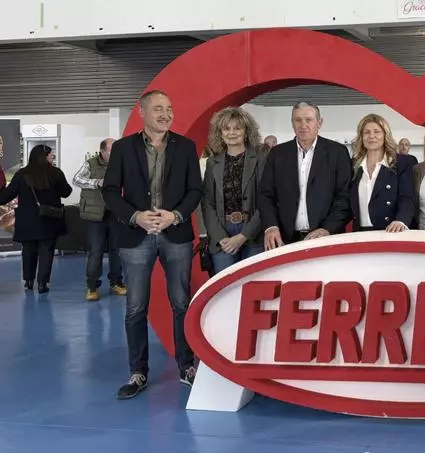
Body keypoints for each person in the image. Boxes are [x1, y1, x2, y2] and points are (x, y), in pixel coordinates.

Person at [102, 89, 203, 399]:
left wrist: (175, 215)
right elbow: (110, 191)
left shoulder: (185, 147)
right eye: (158, 108)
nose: (165, 114)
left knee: (181, 303)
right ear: (142, 112)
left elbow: (195, 190)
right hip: (136, 236)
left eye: (169, 108)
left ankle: (186, 366)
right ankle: (138, 372)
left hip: (176, 234)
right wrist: (135, 217)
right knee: (135, 307)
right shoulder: (123, 148)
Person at [258, 102, 352, 248]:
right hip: (284, 239)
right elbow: (265, 195)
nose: (303, 125)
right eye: (298, 120)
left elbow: (345, 195)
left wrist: (328, 228)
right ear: (292, 123)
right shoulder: (277, 154)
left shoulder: (337, 152)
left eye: (308, 120)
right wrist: (271, 226)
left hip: (326, 238)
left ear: (319, 123)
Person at [201, 107, 266, 273]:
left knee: (253, 284)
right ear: (220, 133)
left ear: (246, 132)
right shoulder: (212, 162)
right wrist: (219, 236)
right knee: (225, 286)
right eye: (226, 128)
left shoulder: (260, 159)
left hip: (253, 232)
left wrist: (244, 235)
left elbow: (266, 200)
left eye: (237, 128)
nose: (232, 133)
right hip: (222, 232)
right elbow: (207, 202)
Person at [0, 144, 72, 293]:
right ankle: (42, 283)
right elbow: (66, 192)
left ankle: (28, 281)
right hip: (49, 219)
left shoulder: (22, 174)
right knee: (47, 251)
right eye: (51, 155)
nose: (52, 157)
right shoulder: (55, 173)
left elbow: (5, 197)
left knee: (28, 250)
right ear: (44, 157)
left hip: (27, 221)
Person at [73, 138, 127, 301]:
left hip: (116, 214)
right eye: (112, 150)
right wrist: (96, 182)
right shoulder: (90, 164)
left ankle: (116, 282)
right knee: (95, 252)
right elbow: (76, 179)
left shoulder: (122, 163)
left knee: (117, 251)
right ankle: (92, 286)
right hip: (96, 216)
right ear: (103, 151)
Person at [348, 114, 415, 232]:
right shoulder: (353, 165)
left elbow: (407, 198)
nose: (371, 136)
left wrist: (401, 220)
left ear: (385, 135)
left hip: (391, 231)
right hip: (360, 233)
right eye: (366, 132)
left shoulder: (401, 163)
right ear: (361, 137)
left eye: (377, 132)